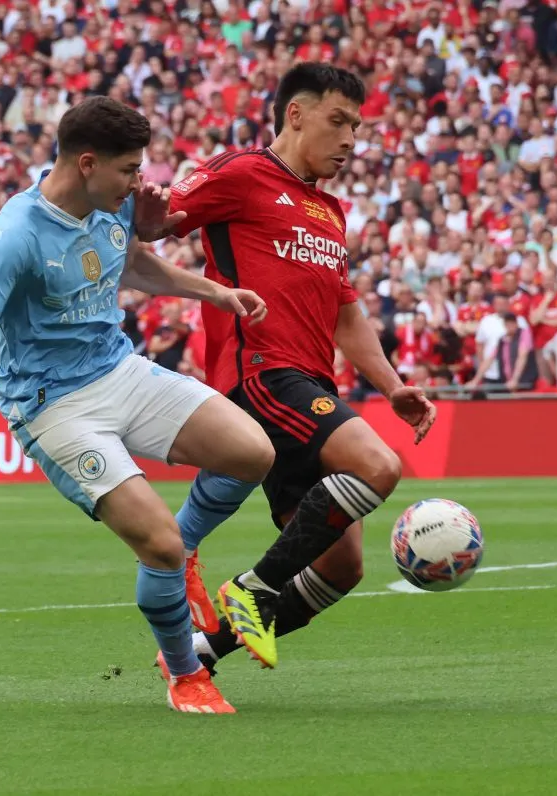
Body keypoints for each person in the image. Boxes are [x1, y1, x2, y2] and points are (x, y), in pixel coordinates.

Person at [0, 97, 276, 715]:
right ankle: (185, 673)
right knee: (156, 542)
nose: (139, 182)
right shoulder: (16, 236)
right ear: (85, 163)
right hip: (53, 404)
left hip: (118, 369)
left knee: (252, 453)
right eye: (129, 169)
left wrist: (215, 291)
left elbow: (130, 262)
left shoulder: (115, 202)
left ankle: (184, 557)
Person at [165, 64, 435, 672]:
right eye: (337, 122)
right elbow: (157, 218)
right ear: (296, 113)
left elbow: (346, 318)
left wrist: (391, 387)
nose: (349, 140)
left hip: (309, 383)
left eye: (356, 127)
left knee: (343, 566)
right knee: (377, 465)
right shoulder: (241, 174)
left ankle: (200, 655)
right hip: (261, 373)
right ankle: (250, 589)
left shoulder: (329, 213)